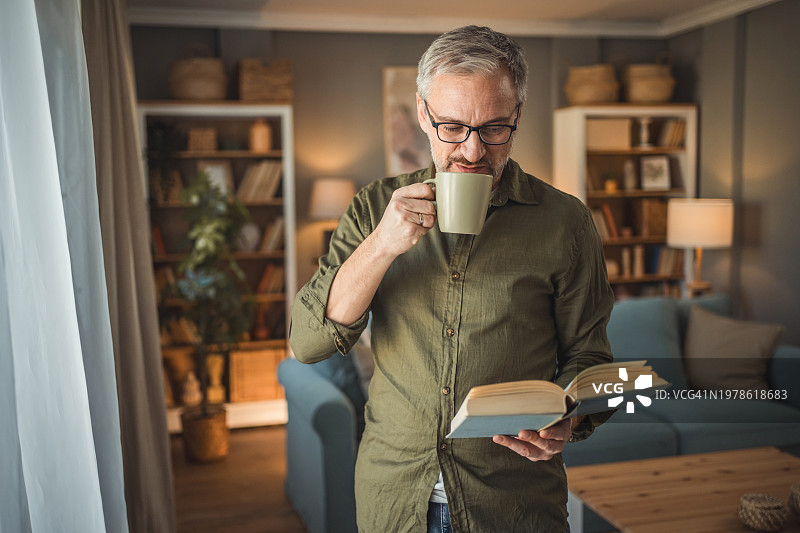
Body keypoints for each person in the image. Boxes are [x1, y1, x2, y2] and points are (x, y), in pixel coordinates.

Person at [289, 25, 614, 533]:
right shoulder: (375, 207)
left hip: (514, 505)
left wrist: (571, 418)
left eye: (493, 128)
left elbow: (593, 360)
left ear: (517, 119)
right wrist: (382, 245)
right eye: (453, 127)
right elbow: (307, 344)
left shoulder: (565, 222)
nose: (472, 151)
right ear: (423, 114)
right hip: (394, 500)